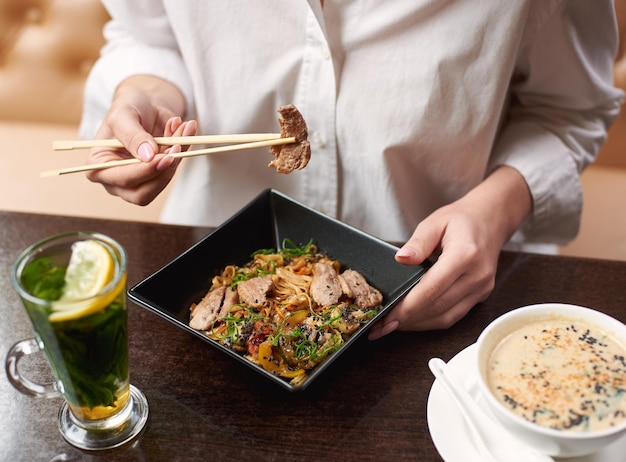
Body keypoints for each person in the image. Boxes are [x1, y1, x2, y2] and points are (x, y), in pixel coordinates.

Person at [80, 1, 623, 340]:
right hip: (213, 263)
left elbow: (571, 109)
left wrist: (496, 209)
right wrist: (144, 95)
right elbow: (149, 34)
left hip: (436, 288)